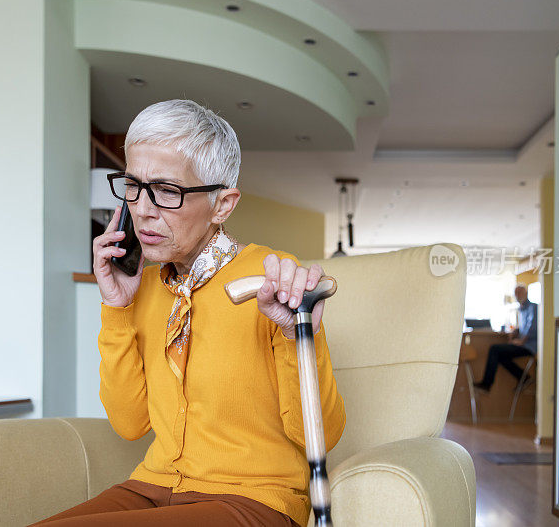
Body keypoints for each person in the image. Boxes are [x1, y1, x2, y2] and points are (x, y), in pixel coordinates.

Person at [30, 99, 346, 527]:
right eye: (133, 185)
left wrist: (295, 331)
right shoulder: (143, 288)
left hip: (250, 499)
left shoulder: (272, 279)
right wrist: (117, 307)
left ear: (222, 204)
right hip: (150, 487)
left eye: (166, 191)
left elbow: (320, 436)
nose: (142, 209)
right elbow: (129, 424)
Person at [473, 284, 537, 392]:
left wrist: (521, 341)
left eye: (520, 292)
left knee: (495, 349)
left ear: (526, 293)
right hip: (523, 343)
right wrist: (515, 331)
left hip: (529, 346)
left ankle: (486, 384)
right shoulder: (521, 310)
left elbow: (533, 327)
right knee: (500, 356)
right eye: (516, 293)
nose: (518, 295)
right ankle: (523, 377)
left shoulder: (533, 307)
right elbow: (524, 327)